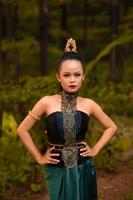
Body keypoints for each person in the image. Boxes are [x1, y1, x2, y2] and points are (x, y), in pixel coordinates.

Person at [17, 38, 118, 200]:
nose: (72, 80)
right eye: (66, 75)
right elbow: (22, 129)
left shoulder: (89, 104)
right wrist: (39, 157)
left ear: (83, 76)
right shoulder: (46, 102)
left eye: (77, 75)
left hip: (83, 167)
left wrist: (95, 150)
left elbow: (111, 126)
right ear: (58, 77)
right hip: (56, 168)